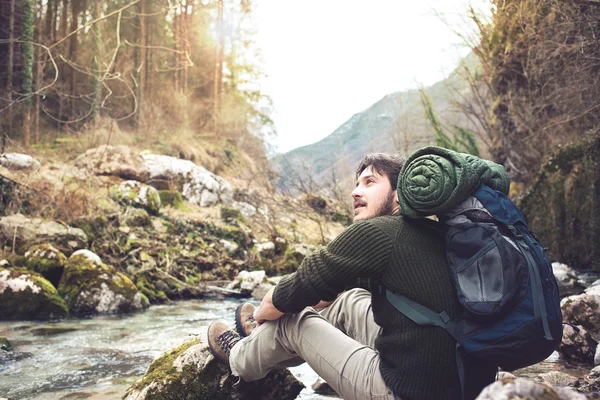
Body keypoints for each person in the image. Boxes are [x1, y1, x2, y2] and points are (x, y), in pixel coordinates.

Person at [207, 153, 497, 400]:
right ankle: (267, 348)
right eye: (357, 184)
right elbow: (326, 292)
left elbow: (287, 294)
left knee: (291, 324)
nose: (355, 192)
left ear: (399, 194)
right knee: (351, 301)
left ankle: (239, 357)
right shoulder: (432, 231)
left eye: (370, 182)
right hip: (465, 384)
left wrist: (262, 315)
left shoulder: (376, 232)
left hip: (406, 393)